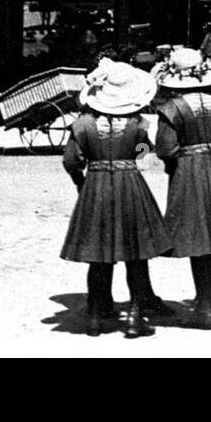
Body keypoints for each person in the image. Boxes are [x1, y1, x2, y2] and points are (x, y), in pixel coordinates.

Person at [61, 58, 172, 338]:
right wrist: (127, 157)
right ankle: (135, 317)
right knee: (135, 254)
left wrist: (81, 182)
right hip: (130, 185)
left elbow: (71, 161)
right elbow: (144, 150)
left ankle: (96, 316)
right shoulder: (137, 124)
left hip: (95, 187)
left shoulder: (83, 124)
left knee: (98, 255)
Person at [153, 47, 211, 330]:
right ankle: (205, 300)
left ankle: (203, 305)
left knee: (196, 237)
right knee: (210, 238)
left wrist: (171, 165)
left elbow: (165, 148)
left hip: (187, 171)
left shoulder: (171, 109)